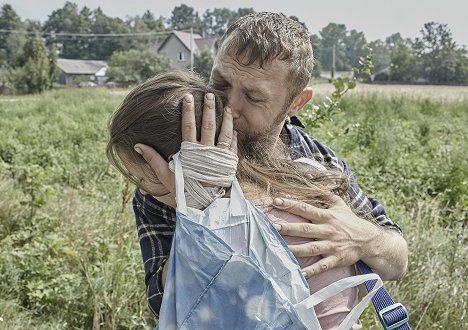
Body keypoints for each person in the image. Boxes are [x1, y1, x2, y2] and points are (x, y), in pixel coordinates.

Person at [126, 12, 408, 321]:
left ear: (296, 103)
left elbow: (397, 260)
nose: (230, 107)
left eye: (253, 96)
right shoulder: (176, 165)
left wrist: (363, 238)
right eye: (220, 83)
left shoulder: (318, 161)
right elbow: (160, 302)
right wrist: (200, 218)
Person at [107, 70, 378, 329]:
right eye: (222, 84)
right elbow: (158, 298)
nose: (142, 190)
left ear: (171, 165)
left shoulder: (239, 234)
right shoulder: (311, 173)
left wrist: (204, 223)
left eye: (141, 178)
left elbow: (186, 311)